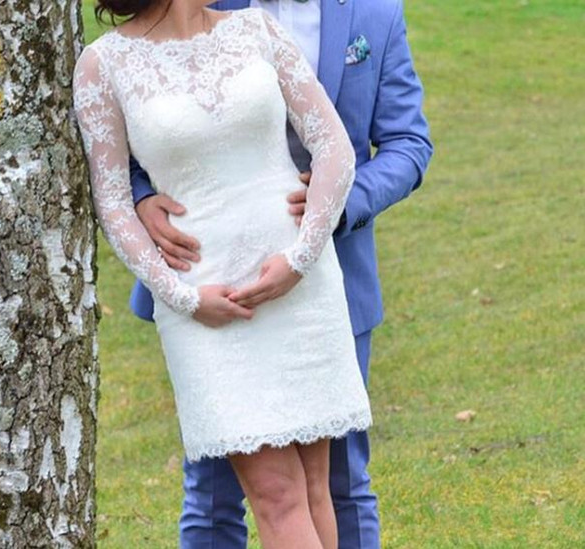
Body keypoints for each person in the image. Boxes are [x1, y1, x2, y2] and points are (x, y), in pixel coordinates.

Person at [128, 0, 433, 547]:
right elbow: (137, 113)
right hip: (212, 282)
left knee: (341, 483)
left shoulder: (375, 15)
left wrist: (333, 206)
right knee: (214, 493)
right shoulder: (198, 6)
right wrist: (140, 196)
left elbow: (408, 143)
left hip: (329, 284)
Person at [75, 0, 376, 547]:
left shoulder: (257, 29)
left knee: (315, 489)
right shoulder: (103, 63)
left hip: (301, 284)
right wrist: (183, 297)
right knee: (277, 495)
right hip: (206, 302)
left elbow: (334, 147)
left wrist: (301, 258)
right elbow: (113, 202)